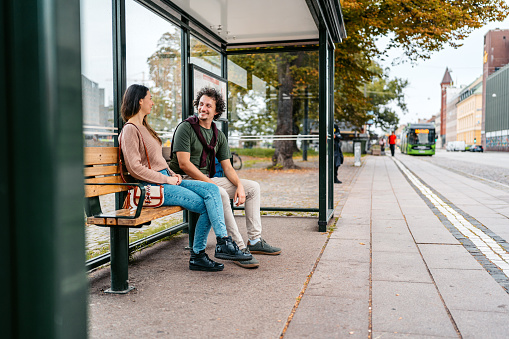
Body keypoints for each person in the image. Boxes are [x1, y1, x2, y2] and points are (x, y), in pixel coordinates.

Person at [119, 84, 251, 272]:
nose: (152, 102)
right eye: (150, 98)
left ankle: (220, 243)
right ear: (140, 101)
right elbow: (134, 169)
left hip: (167, 180)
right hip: (153, 187)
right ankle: (203, 252)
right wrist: (166, 179)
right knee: (208, 203)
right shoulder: (131, 129)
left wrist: (172, 175)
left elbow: (159, 162)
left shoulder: (144, 127)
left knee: (212, 190)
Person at [169, 87, 282, 269]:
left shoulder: (217, 134)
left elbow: (227, 166)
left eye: (208, 105)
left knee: (253, 187)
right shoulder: (186, 128)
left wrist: (239, 186)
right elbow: (184, 164)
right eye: (200, 104)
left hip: (205, 179)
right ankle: (237, 247)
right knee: (219, 192)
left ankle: (254, 240)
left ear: (216, 111)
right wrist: (210, 183)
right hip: (183, 180)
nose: (202, 108)